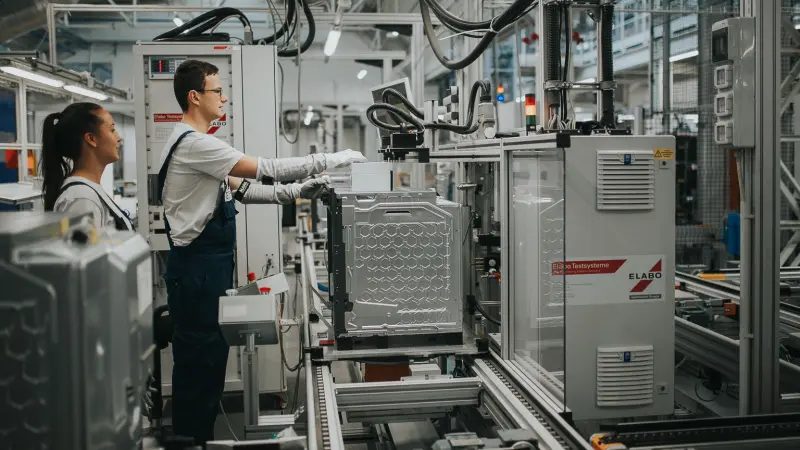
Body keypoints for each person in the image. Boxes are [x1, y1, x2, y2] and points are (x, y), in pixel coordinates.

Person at [159, 59, 366, 445]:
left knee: (206, 368)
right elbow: (266, 169)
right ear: (194, 96)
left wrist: (297, 192)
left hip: (202, 272)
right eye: (216, 91)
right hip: (197, 273)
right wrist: (330, 159)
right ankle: (191, 441)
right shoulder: (195, 144)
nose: (223, 97)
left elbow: (242, 190)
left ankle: (196, 438)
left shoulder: (195, 145)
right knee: (200, 369)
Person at [40, 102, 134, 231]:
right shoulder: (81, 198)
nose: (118, 138)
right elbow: (85, 251)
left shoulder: (88, 191)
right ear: (91, 139)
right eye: (112, 130)